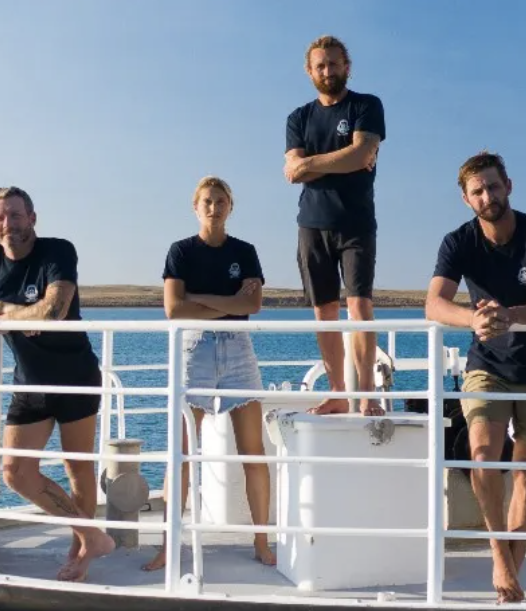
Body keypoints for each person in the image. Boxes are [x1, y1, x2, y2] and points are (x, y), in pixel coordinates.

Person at [0, 186, 113, 582]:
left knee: (77, 468)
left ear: (32, 218)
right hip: (30, 382)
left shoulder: (58, 251)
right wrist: (1, 308)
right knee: (15, 472)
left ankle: (81, 551)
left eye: (16, 215)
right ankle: (92, 536)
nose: (8, 224)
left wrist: (12, 319)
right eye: (0, 218)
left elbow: (54, 310)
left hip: (75, 377)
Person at [425, 151, 526, 603]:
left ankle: (511, 575)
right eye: (477, 191)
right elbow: (434, 304)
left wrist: (510, 315)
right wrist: (473, 319)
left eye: (492, 186)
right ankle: (499, 556)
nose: (487, 196)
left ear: (508, 185)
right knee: (482, 455)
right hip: (487, 365)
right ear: (466, 199)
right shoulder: (458, 241)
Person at [143, 176, 276, 571]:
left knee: (253, 452)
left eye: (220, 201)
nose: (214, 208)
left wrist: (199, 298)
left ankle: (262, 542)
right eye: (207, 201)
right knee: (181, 454)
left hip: (239, 349)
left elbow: (252, 304)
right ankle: (168, 546)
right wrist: (229, 302)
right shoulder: (181, 251)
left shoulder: (244, 252)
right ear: (195, 207)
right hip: (194, 349)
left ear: (230, 206)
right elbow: (173, 309)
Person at [284, 34, 386, 415]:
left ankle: (367, 395)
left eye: (333, 63)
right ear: (309, 71)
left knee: (359, 307)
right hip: (312, 225)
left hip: (356, 224)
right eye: (320, 65)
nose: (327, 71)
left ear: (347, 66)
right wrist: (344, 159)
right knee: (324, 312)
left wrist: (311, 163)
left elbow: (361, 155)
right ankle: (338, 393)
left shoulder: (366, 105)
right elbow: (292, 172)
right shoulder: (298, 118)